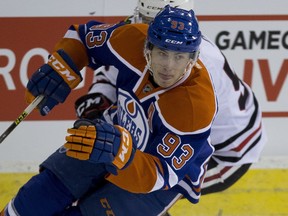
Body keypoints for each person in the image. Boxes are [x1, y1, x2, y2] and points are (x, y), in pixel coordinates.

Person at [1, 5, 218, 216]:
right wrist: (62, 68)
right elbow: (83, 38)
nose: (168, 66)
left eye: (179, 57)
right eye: (162, 53)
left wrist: (122, 154)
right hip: (107, 136)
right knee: (34, 200)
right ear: (148, 48)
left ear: (193, 59)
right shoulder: (131, 39)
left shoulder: (195, 105)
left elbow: (159, 175)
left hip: (160, 180)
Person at [75, 0, 267, 196]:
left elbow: (174, 141)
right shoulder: (158, 41)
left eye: (151, 23)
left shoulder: (198, 68)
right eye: (147, 20)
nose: (148, 30)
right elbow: (118, 65)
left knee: (134, 195)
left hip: (225, 153)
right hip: (191, 135)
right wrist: (99, 97)